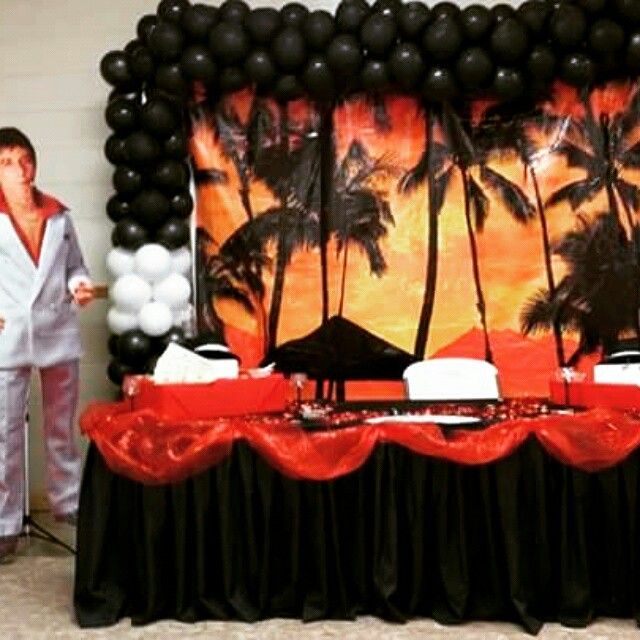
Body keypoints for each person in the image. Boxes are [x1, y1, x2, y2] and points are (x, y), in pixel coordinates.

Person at [0, 127, 94, 562]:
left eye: (25, 160)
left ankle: (68, 505)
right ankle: (4, 524)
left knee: (61, 429)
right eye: (6, 163)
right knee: (3, 436)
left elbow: (76, 267)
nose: (20, 170)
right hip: (8, 333)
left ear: (35, 164)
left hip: (57, 328)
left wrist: (80, 286)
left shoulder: (59, 215)